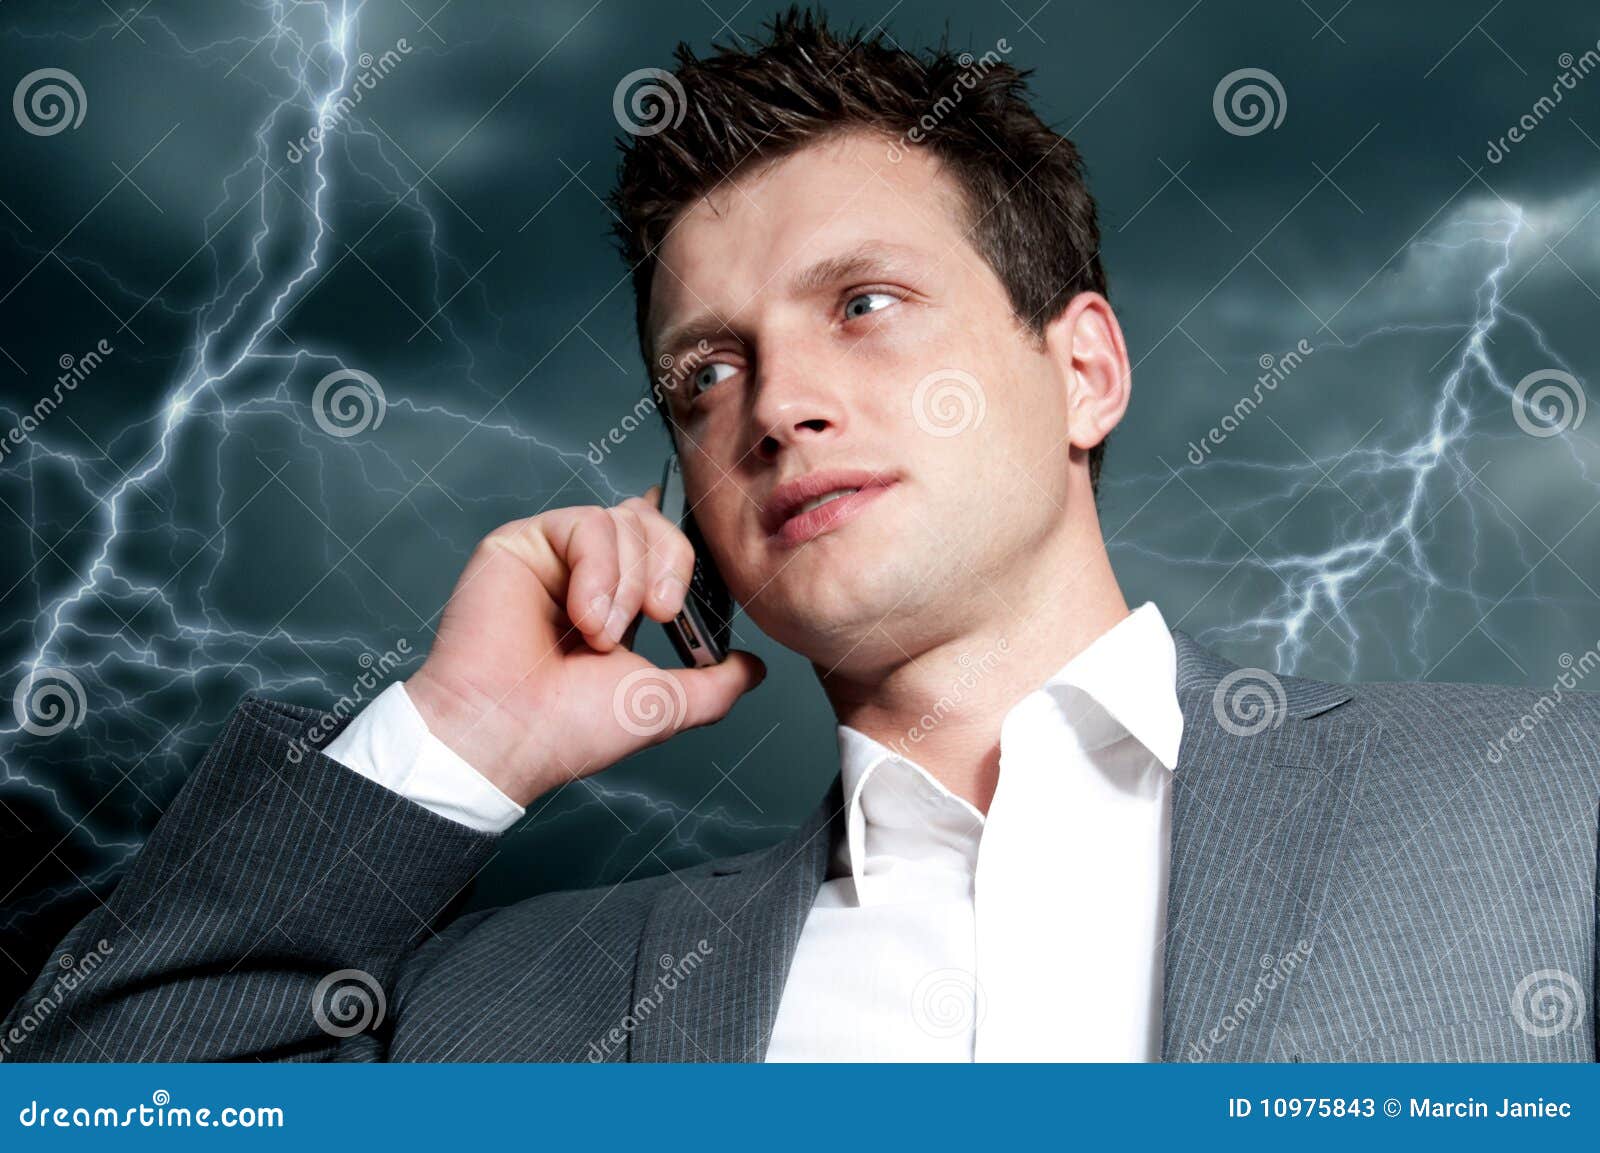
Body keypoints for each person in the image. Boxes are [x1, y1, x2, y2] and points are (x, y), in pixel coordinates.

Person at [5, 8, 1596, 1064]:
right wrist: (458, 737)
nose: (780, 405)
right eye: (706, 373)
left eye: (866, 304)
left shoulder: (1543, 799)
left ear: (1084, 368)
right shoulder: (509, 1005)